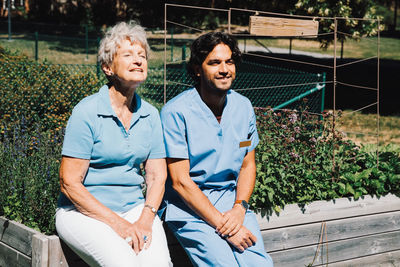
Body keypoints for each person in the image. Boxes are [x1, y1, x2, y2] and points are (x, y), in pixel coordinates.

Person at [55, 21, 172, 267]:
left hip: (134, 209)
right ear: (107, 67)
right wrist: (119, 224)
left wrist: (145, 219)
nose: (139, 60)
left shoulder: (150, 115)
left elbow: (157, 177)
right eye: (128, 55)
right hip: (82, 214)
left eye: (142, 55)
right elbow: (69, 183)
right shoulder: (86, 112)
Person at [160, 32, 273, 266]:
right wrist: (226, 227)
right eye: (214, 62)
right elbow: (180, 182)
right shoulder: (176, 112)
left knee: (259, 264)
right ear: (197, 69)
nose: (224, 69)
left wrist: (240, 208)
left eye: (229, 61)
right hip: (188, 208)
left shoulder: (243, 107)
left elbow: (247, 164)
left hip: (231, 203)